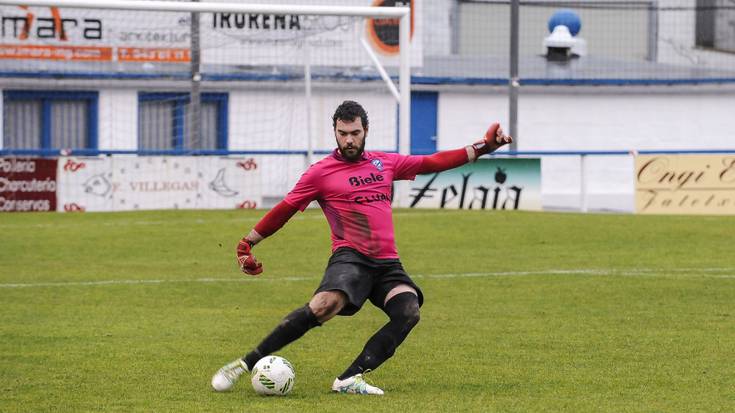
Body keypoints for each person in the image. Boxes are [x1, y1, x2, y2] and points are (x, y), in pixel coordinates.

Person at [211, 100, 512, 395]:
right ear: (335, 132)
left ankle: (350, 378)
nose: (349, 139)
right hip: (350, 259)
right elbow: (285, 208)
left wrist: (485, 147)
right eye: (343, 133)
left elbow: (433, 162)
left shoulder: (386, 163)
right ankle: (244, 363)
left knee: (408, 311)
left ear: (366, 130)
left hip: (387, 265)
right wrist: (247, 243)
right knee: (322, 306)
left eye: (355, 132)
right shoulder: (321, 173)